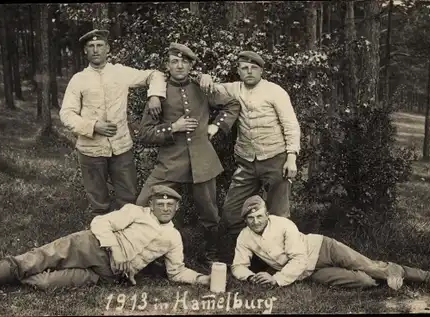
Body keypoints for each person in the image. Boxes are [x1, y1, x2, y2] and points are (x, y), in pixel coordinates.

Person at [0, 186, 211, 301]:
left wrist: (201, 279)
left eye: (170, 205)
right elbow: (100, 223)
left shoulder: (173, 237)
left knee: (45, 282)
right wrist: (116, 249)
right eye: (160, 203)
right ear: (151, 204)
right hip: (90, 245)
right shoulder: (135, 212)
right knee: (33, 261)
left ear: (177, 207)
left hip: (108, 275)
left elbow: (176, 271)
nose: (165, 208)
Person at [135, 43, 241, 265]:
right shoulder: (159, 94)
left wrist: (215, 127)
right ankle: (145, 253)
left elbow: (232, 104)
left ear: (191, 65)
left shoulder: (202, 87)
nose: (179, 65)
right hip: (170, 162)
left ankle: (211, 254)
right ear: (168, 65)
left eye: (184, 61)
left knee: (210, 212)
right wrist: (173, 128)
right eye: (174, 61)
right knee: (143, 204)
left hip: (202, 161)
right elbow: (144, 133)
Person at [198, 51, 301, 263]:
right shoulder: (233, 88)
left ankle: (282, 260)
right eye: (244, 68)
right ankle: (248, 256)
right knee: (232, 211)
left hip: (275, 158)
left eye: (254, 68)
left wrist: (291, 157)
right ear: (238, 71)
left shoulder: (275, 91)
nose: (249, 71)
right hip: (246, 161)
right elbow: (211, 92)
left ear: (261, 70)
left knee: (278, 213)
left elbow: (291, 125)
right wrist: (204, 78)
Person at [231, 195, 430, 290]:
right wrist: (251, 277)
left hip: (323, 248)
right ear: (245, 220)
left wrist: (276, 279)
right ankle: (387, 276)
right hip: (308, 272)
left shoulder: (283, 224)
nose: (256, 221)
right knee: (366, 282)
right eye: (250, 218)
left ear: (267, 214)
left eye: (259, 216)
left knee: (372, 267)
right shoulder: (245, 236)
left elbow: (298, 258)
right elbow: (238, 265)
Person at [59, 29, 166, 217]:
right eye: (91, 46)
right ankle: (102, 242)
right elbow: (67, 114)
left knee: (129, 200)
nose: (95, 50)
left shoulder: (120, 72)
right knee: (99, 204)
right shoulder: (79, 79)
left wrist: (154, 95)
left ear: (107, 48)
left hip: (121, 148)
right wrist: (92, 126)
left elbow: (155, 74)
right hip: (90, 150)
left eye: (99, 45)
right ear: (85, 51)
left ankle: (129, 241)